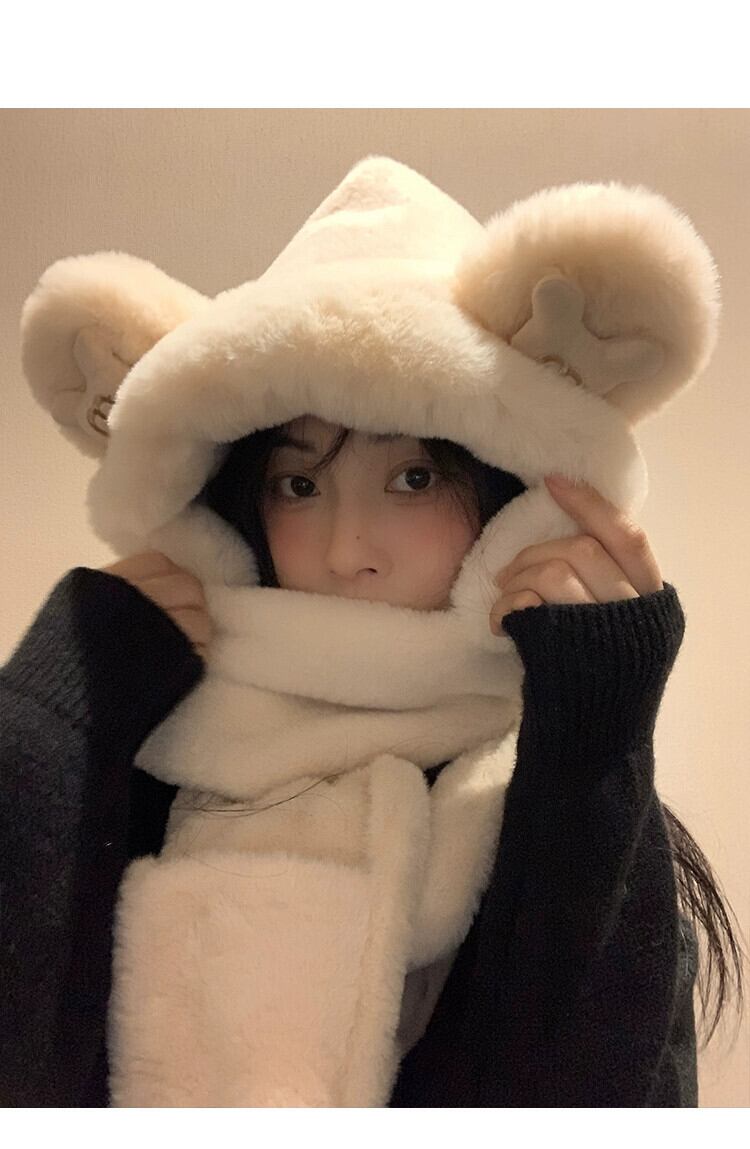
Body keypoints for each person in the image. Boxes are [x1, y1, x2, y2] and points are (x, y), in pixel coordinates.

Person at [4, 155, 745, 1106]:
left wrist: (597, 743)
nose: (347, 549)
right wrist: (51, 715)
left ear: (512, 499)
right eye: (298, 484)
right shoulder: (155, 762)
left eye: (414, 478)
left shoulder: (563, 786)